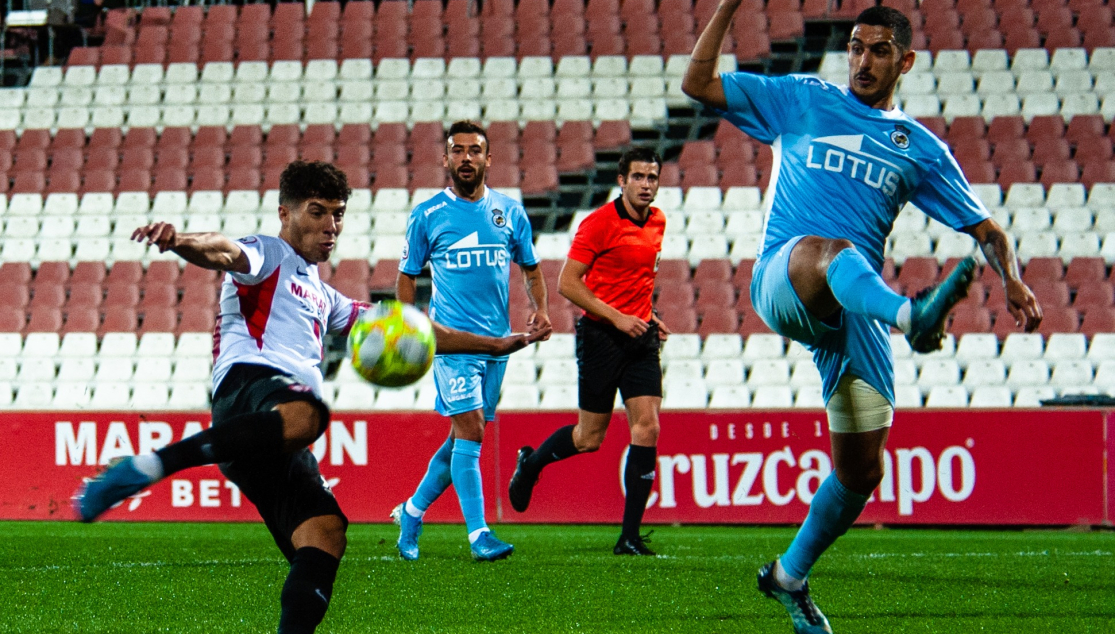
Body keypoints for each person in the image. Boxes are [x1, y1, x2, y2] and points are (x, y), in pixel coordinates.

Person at [684, 6, 1042, 633]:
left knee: (861, 470)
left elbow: (985, 228)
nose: (863, 62)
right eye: (855, 48)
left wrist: (1011, 278)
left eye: (879, 51)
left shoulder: (920, 149)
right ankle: (915, 314)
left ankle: (789, 576)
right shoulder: (801, 99)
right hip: (786, 276)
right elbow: (698, 83)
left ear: (904, 61)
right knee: (835, 252)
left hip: (852, 315)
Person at [73, 161, 548, 633]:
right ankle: (149, 466)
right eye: (318, 213)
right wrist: (179, 242)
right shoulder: (268, 254)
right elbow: (223, 251)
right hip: (249, 391)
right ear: (286, 213)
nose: (331, 227)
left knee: (325, 534)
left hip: (270, 439)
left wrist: (495, 344)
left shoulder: (325, 296)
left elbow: (417, 333)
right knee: (310, 414)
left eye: (338, 214)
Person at [392, 120, 550, 562]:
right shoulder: (427, 215)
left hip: (497, 343)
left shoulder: (509, 211)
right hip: (452, 342)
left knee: (463, 437)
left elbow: (531, 268)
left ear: (487, 159)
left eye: (474, 150)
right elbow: (407, 277)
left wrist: (541, 308)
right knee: (473, 430)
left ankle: (411, 511)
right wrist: (413, 327)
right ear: (445, 159)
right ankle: (479, 534)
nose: (466, 158)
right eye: (457, 151)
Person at [507, 147, 670, 556]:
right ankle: (531, 464)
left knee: (647, 427)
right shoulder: (598, 224)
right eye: (638, 177)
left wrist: (651, 314)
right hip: (601, 337)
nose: (646, 185)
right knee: (588, 438)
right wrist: (617, 318)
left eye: (652, 177)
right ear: (622, 180)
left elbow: (638, 278)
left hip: (640, 337)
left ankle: (629, 537)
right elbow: (568, 283)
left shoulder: (659, 221)